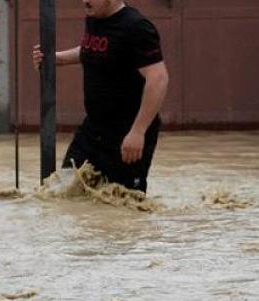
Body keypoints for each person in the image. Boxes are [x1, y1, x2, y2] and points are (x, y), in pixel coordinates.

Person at [34, 0, 169, 193]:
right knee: (64, 192)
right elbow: (94, 49)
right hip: (92, 129)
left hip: (126, 134)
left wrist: (138, 132)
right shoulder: (95, 17)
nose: (85, 1)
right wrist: (57, 58)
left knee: (123, 202)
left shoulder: (136, 27)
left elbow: (158, 78)